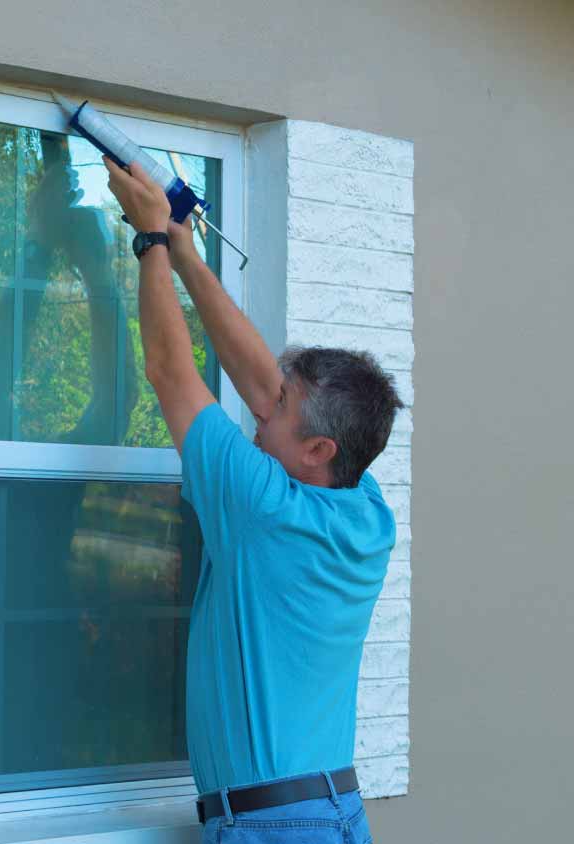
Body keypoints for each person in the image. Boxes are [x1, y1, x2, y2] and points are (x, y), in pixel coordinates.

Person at [103, 157, 402, 844]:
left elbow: (170, 372)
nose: (260, 414)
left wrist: (149, 240)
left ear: (318, 451)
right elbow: (267, 382)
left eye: (278, 412)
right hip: (331, 813)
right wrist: (185, 253)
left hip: (276, 827)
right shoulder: (366, 509)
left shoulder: (263, 507)